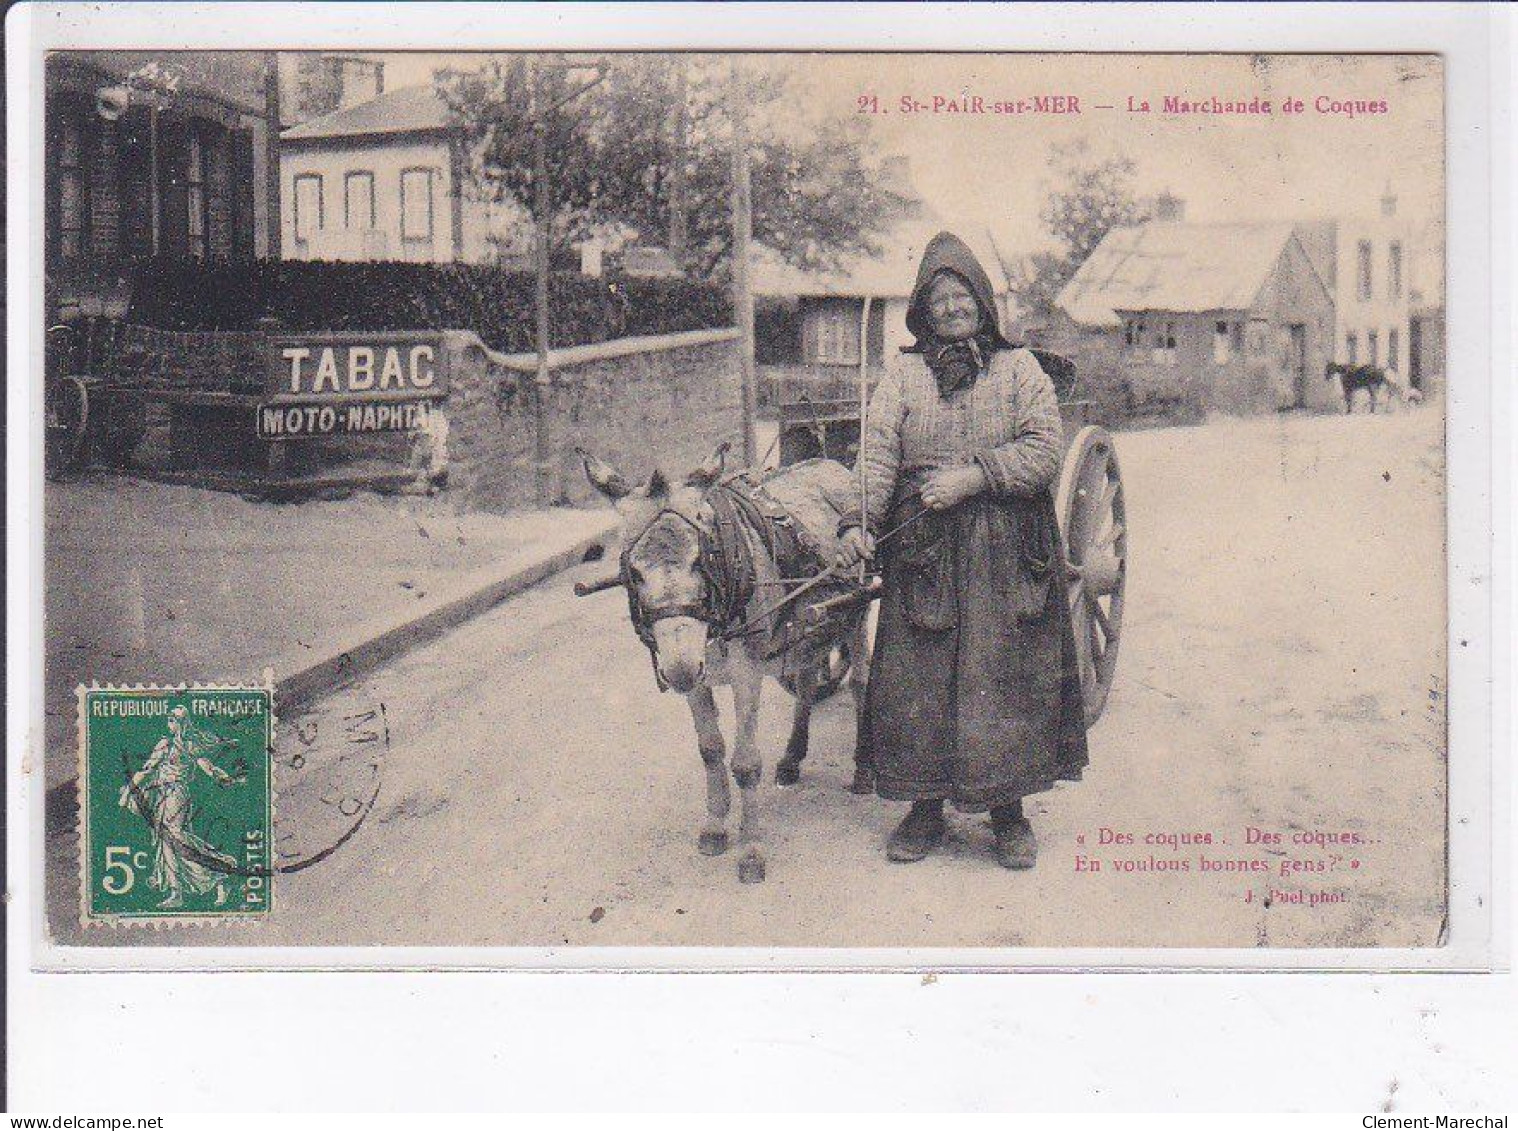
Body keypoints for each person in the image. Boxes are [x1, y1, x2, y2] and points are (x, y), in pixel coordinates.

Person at [836, 231, 1089, 870]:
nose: (951, 308)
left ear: (982, 301)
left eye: (961, 294)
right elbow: (877, 455)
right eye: (938, 298)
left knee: (1002, 675)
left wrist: (974, 477)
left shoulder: (1019, 370)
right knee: (916, 675)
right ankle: (924, 808)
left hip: (1006, 547)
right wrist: (858, 523)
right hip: (922, 547)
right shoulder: (902, 376)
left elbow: (1043, 452)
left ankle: (1009, 813)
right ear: (922, 311)